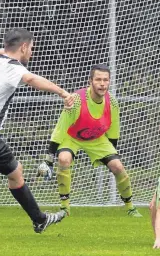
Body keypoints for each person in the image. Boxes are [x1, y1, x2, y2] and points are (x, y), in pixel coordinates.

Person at [0, 28, 73, 233]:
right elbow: (31, 80)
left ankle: (39, 219)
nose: (32, 52)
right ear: (23, 47)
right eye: (31, 48)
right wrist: (63, 92)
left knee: (15, 172)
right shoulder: (14, 67)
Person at [37, 64, 142, 217]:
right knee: (64, 159)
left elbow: (114, 129)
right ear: (90, 81)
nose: (102, 83)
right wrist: (48, 159)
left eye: (106, 80)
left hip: (97, 138)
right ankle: (65, 207)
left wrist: (111, 156)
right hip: (72, 137)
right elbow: (61, 128)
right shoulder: (76, 100)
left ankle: (130, 207)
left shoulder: (112, 102)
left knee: (118, 167)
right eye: (98, 79)